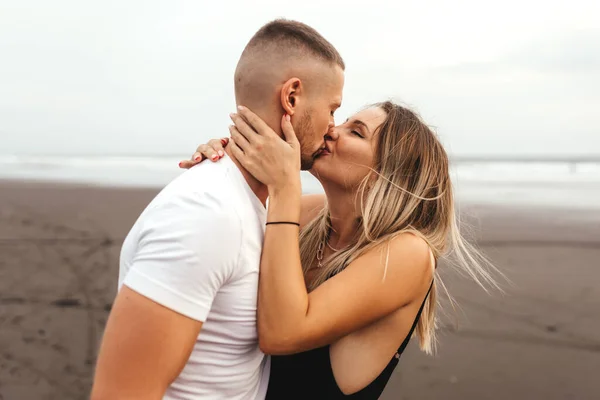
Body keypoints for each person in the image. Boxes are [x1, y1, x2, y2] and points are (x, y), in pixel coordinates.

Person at [90, 19, 345, 400]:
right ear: (292, 97)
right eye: (332, 108)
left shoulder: (258, 204)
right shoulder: (206, 215)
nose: (333, 127)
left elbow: (352, 210)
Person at [182, 102, 498, 399]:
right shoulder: (307, 214)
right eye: (343, 120)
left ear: (390, 173)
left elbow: (281, 334)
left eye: (356, 132)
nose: (332, 128)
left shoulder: (409, 253)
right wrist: (224, 168)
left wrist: (283, 187)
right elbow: (206, 235)